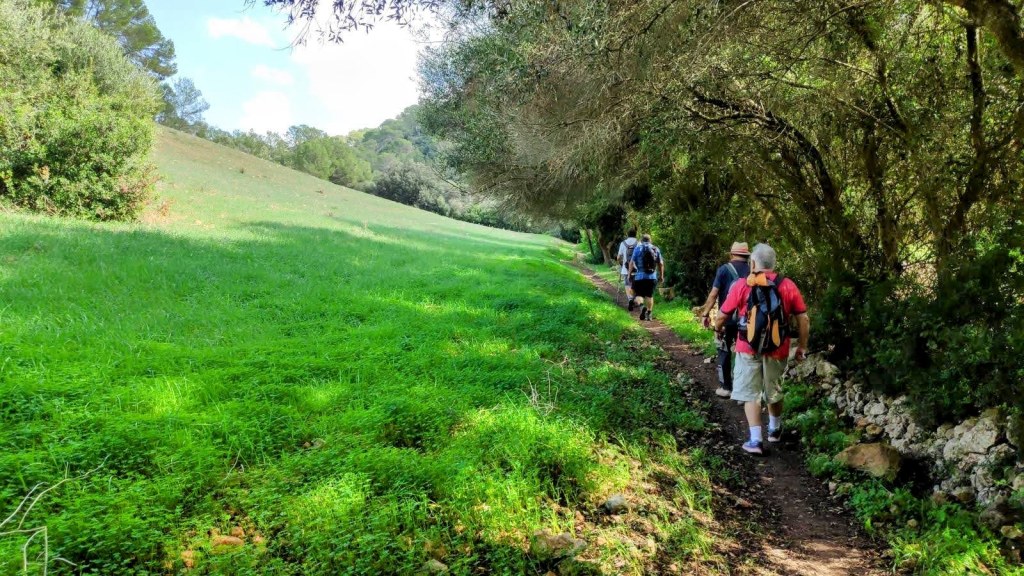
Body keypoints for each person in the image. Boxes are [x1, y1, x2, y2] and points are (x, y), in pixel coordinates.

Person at [715, 243, 809, 455]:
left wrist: (716, 328)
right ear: (774, 263)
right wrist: (802, 346)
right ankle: (774, 430)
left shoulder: (742, 285)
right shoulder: (787, 285)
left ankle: (755, 440)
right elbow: (803, 318)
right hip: (778, 348)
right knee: (773, 390)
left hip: (747, 347)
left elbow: (723, 315)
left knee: (751, 394)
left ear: (754, 263)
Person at [697, 242, 751, 398]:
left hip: (726, 319)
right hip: (747, 321)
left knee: (724, 350)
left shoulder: (723, 270)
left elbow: (714, 294)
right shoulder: (752, 271)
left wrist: (706, 314)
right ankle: (744, 392)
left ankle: (726, 387)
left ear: (731, 254)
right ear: (747, 256)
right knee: (745, 353)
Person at [628, 234, 665, 321]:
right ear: (650, 240)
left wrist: (629, 274)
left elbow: (631, 263)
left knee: (638, 294)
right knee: (649, 295)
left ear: (641, 240)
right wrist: (661, 275)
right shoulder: (655, 249)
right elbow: (661, 263)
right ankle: (649, 314)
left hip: (639, 277)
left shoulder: (637, 249)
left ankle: (642, 307)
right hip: (652, 277)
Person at [616, 230, 639, 310]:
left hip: (626, 269)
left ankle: (630, 299)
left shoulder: (623, 243)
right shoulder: (638, 243)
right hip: (637, 269)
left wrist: (621, 263)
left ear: (627, 234)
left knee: (627, 284)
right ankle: (635, 300)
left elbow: (618, 257)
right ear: (635, 235)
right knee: (636, 285)